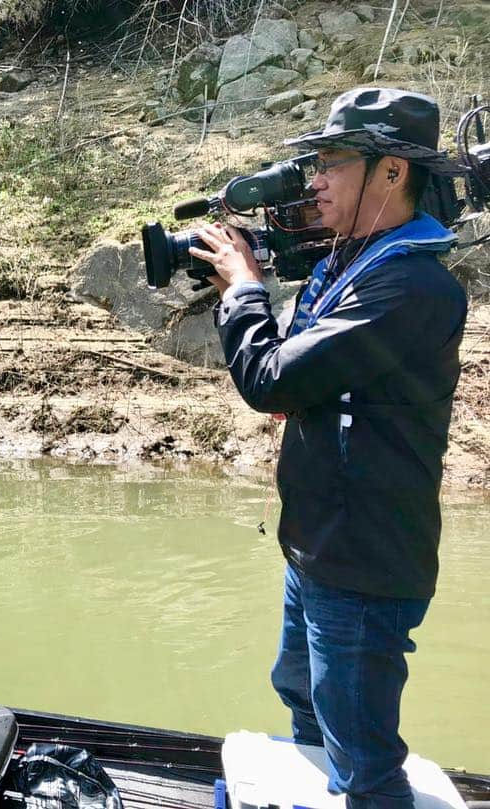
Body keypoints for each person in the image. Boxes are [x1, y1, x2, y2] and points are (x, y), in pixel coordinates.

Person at [188, 88, 468, 808]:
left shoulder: (412, 285)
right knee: (304, 701)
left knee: (366, 765)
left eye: (334, 163)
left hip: (364, 564)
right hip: (317, 545)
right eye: (314, 162)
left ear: (392, 172)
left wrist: (243, 288)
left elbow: (273, 379)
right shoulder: (353, 259)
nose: (315, 179)